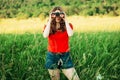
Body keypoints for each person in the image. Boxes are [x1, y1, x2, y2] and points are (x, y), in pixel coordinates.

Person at [43, 6, 80, 80]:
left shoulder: (68, 25)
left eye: (59, 14)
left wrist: (66, 20)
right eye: (55, 14)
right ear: (51, 15)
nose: (57, 16)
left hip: (65, 56)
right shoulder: (48, 26)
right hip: (52, 56)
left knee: (75, 78)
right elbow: (45, 35)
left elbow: (70, 34)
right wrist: (50, 20)